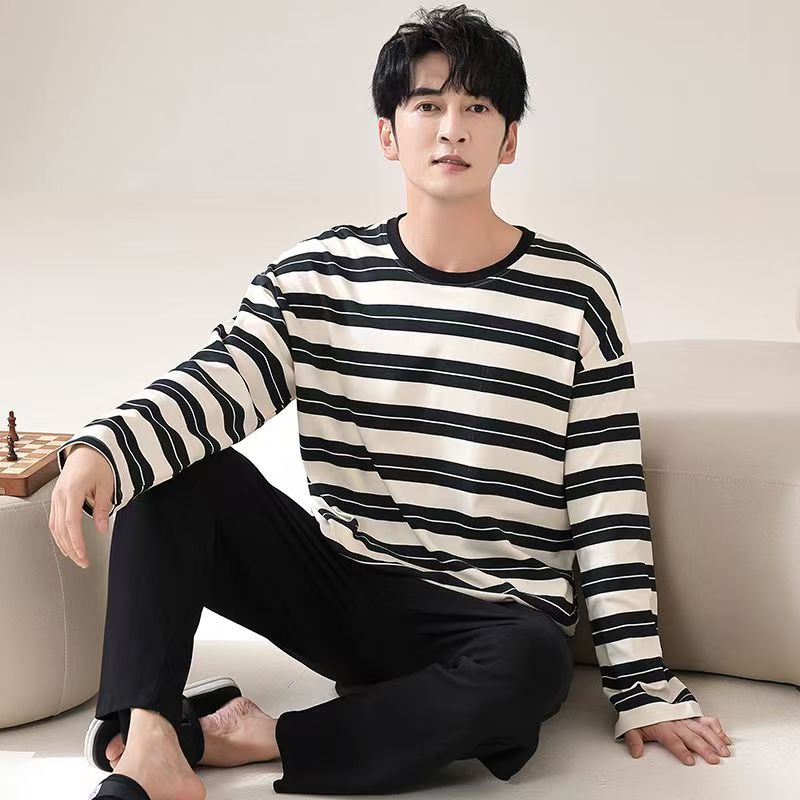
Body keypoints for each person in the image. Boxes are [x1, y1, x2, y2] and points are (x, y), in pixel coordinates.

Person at [49, 5, 731, 799]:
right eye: (428, 105)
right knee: (166, 461)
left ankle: (265, 739)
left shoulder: (574, 296)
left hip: (489, 619)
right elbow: (221, 378)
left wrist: (641, 685)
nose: (452, 129)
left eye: (478, 107)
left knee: (535, 665)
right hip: (344, 588)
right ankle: (149, 742)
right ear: (388, 132)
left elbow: (607, 496)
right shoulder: (317, 276)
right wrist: (105, 444)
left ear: (510, 140)